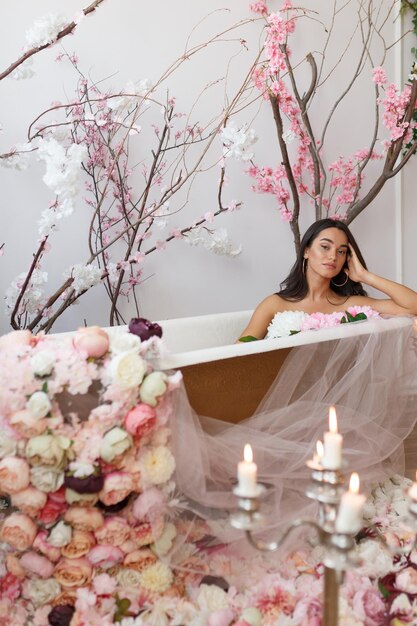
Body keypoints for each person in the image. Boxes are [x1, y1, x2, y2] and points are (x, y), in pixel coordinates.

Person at [239, 218, 417, 340]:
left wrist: (366, 276)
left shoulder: (351, 305)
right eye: (325, 247)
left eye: (341, 251)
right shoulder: (275, 304)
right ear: (306, 251)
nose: (333, 256)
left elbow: (413, 305)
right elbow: (237, 354)